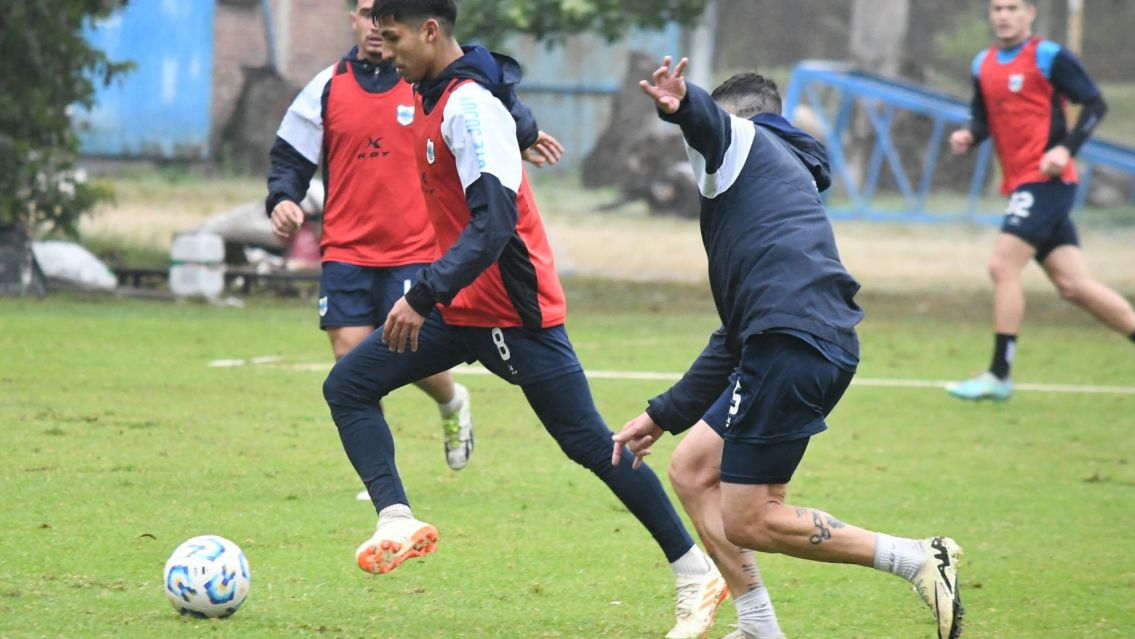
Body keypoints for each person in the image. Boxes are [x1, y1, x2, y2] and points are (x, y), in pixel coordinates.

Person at [320, 1, 728, 637]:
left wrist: (420, 294)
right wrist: (522, 126)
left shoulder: (466, 104)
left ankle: (694, 570)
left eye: (393, 36)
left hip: (513, 313)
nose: (384, 49)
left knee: (592, 444)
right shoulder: (438, 91)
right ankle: (396, 517)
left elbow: (494, 226)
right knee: (347, 385)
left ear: (430, 31)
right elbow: (500, 88)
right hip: (462, 307)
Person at [612, 58, 965, 639]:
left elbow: (714, 127)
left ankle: (919, 559)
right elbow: (733, 336)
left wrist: (683, 105)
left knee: (750, 518)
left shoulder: (742, 143)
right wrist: (662, 415)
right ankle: (758, 626)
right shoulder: (778, 179)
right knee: (694, 470)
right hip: (792, 341)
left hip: (792, 346)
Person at [266, 0, 559, 479]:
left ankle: (450, 399)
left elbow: (486, 94)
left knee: (404, 351)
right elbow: (290, 155)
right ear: (354, 21)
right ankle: (380, 478)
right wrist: (282, 197)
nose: (375, 26)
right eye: (365, 13)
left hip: (417, 249)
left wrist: (522, 131)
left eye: (383, 17)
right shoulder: (327, 86)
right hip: (346, 247)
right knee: (349, 355)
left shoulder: (425, 83)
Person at [946, 0, 1135, 401]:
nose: (1003, 15)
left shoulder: (1048, 56)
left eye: (1013, 7)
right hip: (1021, 183)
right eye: (997, 8)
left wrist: (1065, 149)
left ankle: (999, 374)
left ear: (1030, 13)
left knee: (1002, 266)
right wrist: (970, 135)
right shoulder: (984, 63)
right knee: (1074, 286)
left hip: (1047, 180)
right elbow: (983, 117)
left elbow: (1095, 104)